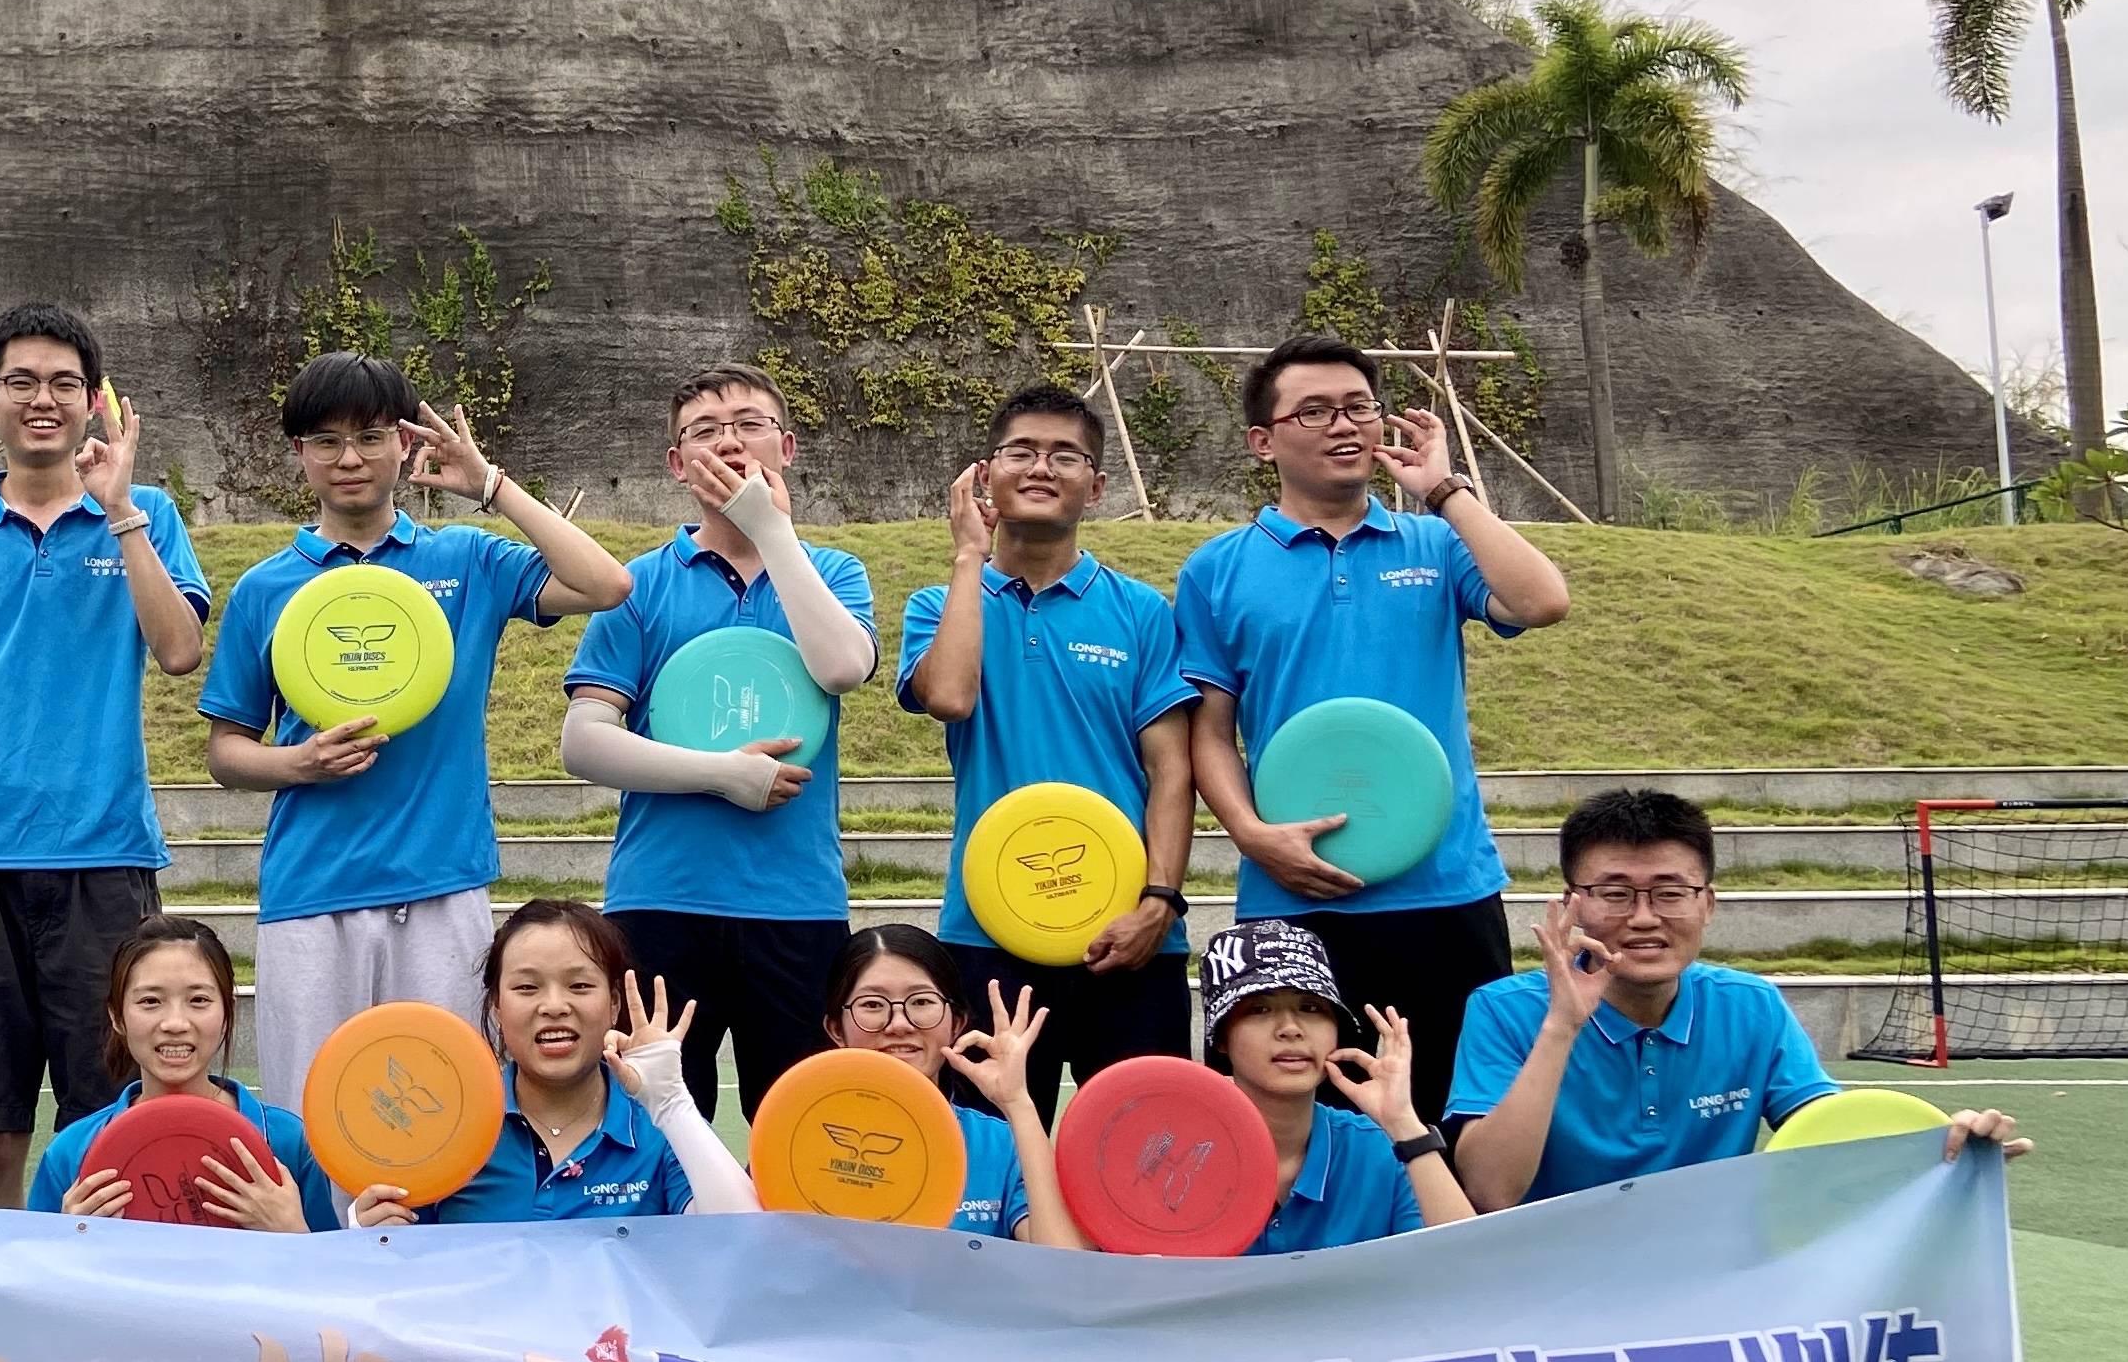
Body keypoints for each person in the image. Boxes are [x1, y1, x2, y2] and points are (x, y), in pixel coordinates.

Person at [201, 356, 633, 1109]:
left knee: (442, 1110)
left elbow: (607, 584)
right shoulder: (266, 587)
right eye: (325, 441)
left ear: (406, 444)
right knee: (311, 1112)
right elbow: (226, 751)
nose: (349, 459)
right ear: (299, 452)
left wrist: (490, 485)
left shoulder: (466, 558)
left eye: (370, 437)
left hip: (441, 883)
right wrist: (300, 762)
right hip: (312, 887)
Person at [1175, 331, 1571, 1128]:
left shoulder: (1437, 542)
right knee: (1300, 1128)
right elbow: (1209, 732)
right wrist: (1252, 836)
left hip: (1447, 887)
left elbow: (1542, 601)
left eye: (1359, 406)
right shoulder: (1217, 569)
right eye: (1315, 410)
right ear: (1263, 440)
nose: (1344, 424)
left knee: (1460, 1122)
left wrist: (1445, 489)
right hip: (1295, 896)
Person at [0, 303, 210, 1208]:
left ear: (93, 400)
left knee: (111, 1122)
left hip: (104, 857)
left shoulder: (147, 513)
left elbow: (180, 651)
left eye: (65, 383)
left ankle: (107, 1286)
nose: (43, 399)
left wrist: (120, 512)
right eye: (21, 381)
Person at [1446, 788, 2031, 1207]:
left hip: (1718, 1276)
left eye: (1670, 892)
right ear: (1573, 904)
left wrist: (1942, 1147)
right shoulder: (1504, 1010)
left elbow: (1831, 1138)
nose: (1644, 918)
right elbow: (1490, 1192)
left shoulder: (1750, 1006)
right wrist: (1562, 1026)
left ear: (1708, 903)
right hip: (1552, 1278)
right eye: (1616, 893)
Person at [559, 366, 880, 1126]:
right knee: (655, 1127)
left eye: (749, 425)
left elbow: (843, 666)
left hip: (796, 902)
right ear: (677, 463)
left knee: (802, 1127)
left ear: (786, 447)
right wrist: (723, 775)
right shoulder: (637, 584)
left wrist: (774, 530)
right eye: (705, 431)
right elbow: (584, 741)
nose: (729, 442)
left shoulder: (834, 572)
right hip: (660, 899)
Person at [896, 384, 1196, 1118]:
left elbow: (1171, 769)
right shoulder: (939, 606)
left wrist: (1159, 901)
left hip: (1130, 933)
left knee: (1144, 1147)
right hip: (988, 929)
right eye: (1021, 451)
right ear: (985, 474)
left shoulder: (1141, 612)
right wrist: (969, 557)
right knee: (991, 1152)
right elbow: (950, 697)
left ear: (1096, 486)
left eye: (1066, 455)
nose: (1041, 467)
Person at [395, 898, 759, 1226]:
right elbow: (404, 1255)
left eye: (580, 986)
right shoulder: (446, 1127)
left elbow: (744, 1238)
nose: (554, 1006)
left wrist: (672, 1103)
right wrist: (375, 1234)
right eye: (527, 987)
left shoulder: (658, 1124)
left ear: (614, 1004)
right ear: (497, 1008)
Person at [31, 914, 376, 1231]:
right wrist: (67, 1242)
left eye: (198, 1000)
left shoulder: (286, 1140)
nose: (175, 1023)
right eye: (150, 1001)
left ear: (227, 1013)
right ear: (117, 1017)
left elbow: (326, 1270)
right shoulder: (73, 1152)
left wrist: (293, 1232)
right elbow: (34, 1269)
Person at [798, 924, 1089, 1245]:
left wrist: (1017, 1102)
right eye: (872, 1005)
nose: (899, 1024)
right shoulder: (796, 1138)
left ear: (956, 1023)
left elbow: (1063, 1260)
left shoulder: (998, 1143)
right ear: (836, 1030)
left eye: (921, 1001)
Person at [1194, 919, 1472, 1253]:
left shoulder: (1378, 1146)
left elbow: (1468, 1262)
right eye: (1260, 1009)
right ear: (1221, 1038)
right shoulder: (1170, 1149)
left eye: (1310, 1007)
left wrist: (1403, 1123)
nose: (1290, 1029)